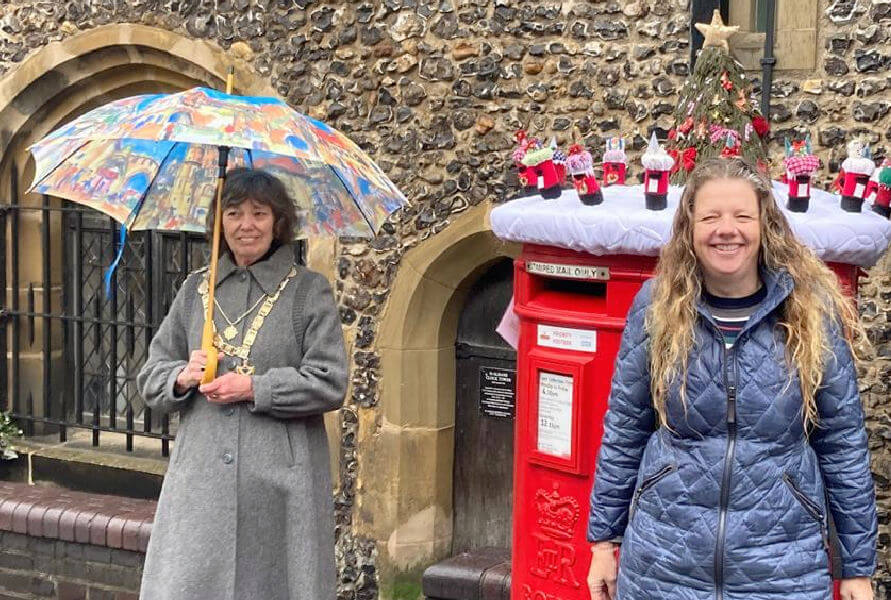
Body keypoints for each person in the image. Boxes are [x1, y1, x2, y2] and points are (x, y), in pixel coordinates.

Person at [586, 157, 877, 600]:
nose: (727, 229)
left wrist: (856, 568)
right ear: (690, 228)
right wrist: (603, 543)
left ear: (765, 225)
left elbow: (842, 443)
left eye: (742, 216)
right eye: (710, 217)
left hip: (783, 561)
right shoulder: (657, 305)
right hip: (664, 559)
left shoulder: (810, 309)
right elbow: (625, 428)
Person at [136, 167, 348, 600]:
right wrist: (181, 376)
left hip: (280, 482)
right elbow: (151, 374)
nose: (245, 225)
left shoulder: (309, 291)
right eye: (233, 213)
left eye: (259, 214)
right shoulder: (196, 289)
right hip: (202, 480)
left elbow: (330, 382)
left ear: (278, 222)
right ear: (219, 223)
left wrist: (254, 388)